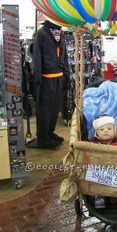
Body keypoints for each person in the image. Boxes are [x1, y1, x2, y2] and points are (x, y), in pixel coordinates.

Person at [32, 20, 70, 149]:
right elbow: (37, 57)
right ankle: (43, 138)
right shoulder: (41, 34)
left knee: (54, 109)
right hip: (46, 79)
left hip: (59, 78)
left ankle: (49, 133)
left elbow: (64, 56)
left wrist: (67, 74)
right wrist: (37, 81)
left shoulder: (60, 33)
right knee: (44, 110)